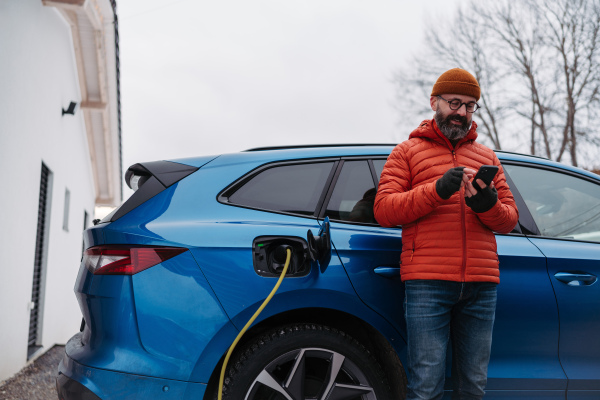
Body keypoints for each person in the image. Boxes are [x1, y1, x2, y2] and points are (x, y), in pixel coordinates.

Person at [374, 68, 519, 400]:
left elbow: (509, 219)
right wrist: (437, 190)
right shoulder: (406, 152)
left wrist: (486, 204)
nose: (461, 113)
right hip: (428, 283)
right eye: (454, 103)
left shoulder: (487, 158)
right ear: (434, 102)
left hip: (481, 285)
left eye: (470, 106)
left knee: (474, 385)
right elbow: (383, 209)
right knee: (426, 385)